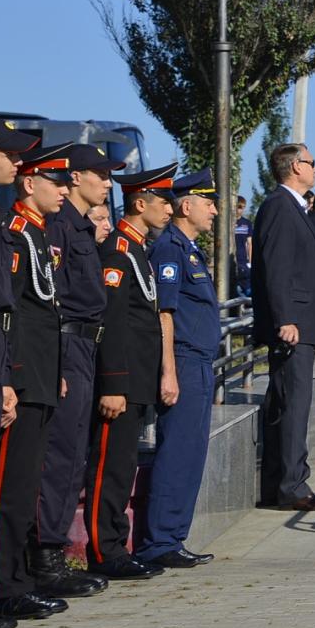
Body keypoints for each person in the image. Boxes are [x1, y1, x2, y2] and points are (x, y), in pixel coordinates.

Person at [32, 142, 122, 599]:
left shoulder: (82, 229)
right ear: (74, 178)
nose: (107, 183)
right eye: (99, 174)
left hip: (84, 346)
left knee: (72, 457)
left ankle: (53, 553)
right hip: (66, 344)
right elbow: (52, 300)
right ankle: (45, 558)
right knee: (60, 456)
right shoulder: (60, 228)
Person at [82, 165, 178, 581]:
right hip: (122, 380)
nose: (171, 210)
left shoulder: (137, 248)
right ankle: (104, 552)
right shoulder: (118, 251)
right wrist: (115, 382)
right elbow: (114, 322)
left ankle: (116, 546)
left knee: (122, 467)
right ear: (141, 204)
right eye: (164, 202)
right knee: (109, 466)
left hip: (138, 378)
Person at [0, 144, 73, 623]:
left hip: (41, 374)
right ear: (30, 185)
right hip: (21, 376)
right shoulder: (17, 232)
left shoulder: (39, 235)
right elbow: (13, 313)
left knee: (24, 490)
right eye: (55, 182)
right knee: (10, 487)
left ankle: (15, 580)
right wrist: (14, 375)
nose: (63, 190)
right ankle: (4, 584)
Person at [133, 170, 226, 568]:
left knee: (191, 454)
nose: (216, 211)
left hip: (198, 361)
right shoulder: (170, 249)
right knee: (178, 453)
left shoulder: (187, 248)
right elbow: (164, 314)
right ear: (186, 206)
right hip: (184, 362)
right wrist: (168, 371)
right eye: (208, 203)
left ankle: (173, 538)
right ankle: (160, 543)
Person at [252, 143, 315, 512]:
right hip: (294, 326)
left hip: (303, 323)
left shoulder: (295, 208)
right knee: (294, 405)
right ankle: (291, 486)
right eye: (311, 162)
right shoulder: (279, 206)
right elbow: (276, 267)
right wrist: (285, 318)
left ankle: (281, 484)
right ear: (294, 167)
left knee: (290, 404)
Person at [233, 195, 253, 296]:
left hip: (243, 261)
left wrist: (250, 262)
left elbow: (249, 243)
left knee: (248, 290)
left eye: (242, 207)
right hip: (232, 260)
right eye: (238, 207)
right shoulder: (229, 223)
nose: (239, 210)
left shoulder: (247, 223)